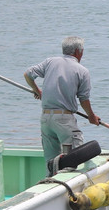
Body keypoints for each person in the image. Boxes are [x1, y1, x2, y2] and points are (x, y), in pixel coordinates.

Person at [24, 36, 101, 174]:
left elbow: (28, 74)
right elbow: (84, 99)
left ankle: (50, 180)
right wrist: (91, 116)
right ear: (78, 52)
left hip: (46, 118)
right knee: (75, 158)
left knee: (51, 161)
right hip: (64, 119)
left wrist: (37, 91)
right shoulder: (82, 70)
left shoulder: (50, 62)